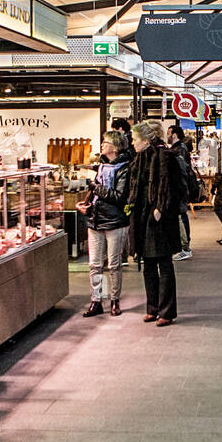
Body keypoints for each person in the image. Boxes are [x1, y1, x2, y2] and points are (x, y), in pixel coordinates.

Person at [127, 121, 184, 325]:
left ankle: (167, 311)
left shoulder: (164, 156)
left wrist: (160, 208)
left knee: (164, 263)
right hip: (143, 216)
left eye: (134, 139)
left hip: (161, 218)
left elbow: (173, 187)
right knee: (148, 263)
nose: (132, 143)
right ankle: (153, 307)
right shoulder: (140, 158)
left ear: (144, 140)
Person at [78, 131, 131, 318]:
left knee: (114, 264)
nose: (102, 145)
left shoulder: (125, 168)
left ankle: (115, 300)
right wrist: (87, 203)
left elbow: (119, 197)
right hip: (96, 219)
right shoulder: (101, 167)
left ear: (115, 147)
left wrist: (94, 187)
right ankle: (97, 300)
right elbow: (98, 194)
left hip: (116, 221)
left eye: (105, 142)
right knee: (95, 264)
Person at [167, 124, 194, 261]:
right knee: (181, 215)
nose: (167, 135)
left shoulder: (179, 149)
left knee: (181, 215)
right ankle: (183, 245)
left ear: (174, 135)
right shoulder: (177, 148)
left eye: (168, 133)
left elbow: (182, 171)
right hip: (181, 187)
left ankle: (185, 247)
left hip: (181, 187)